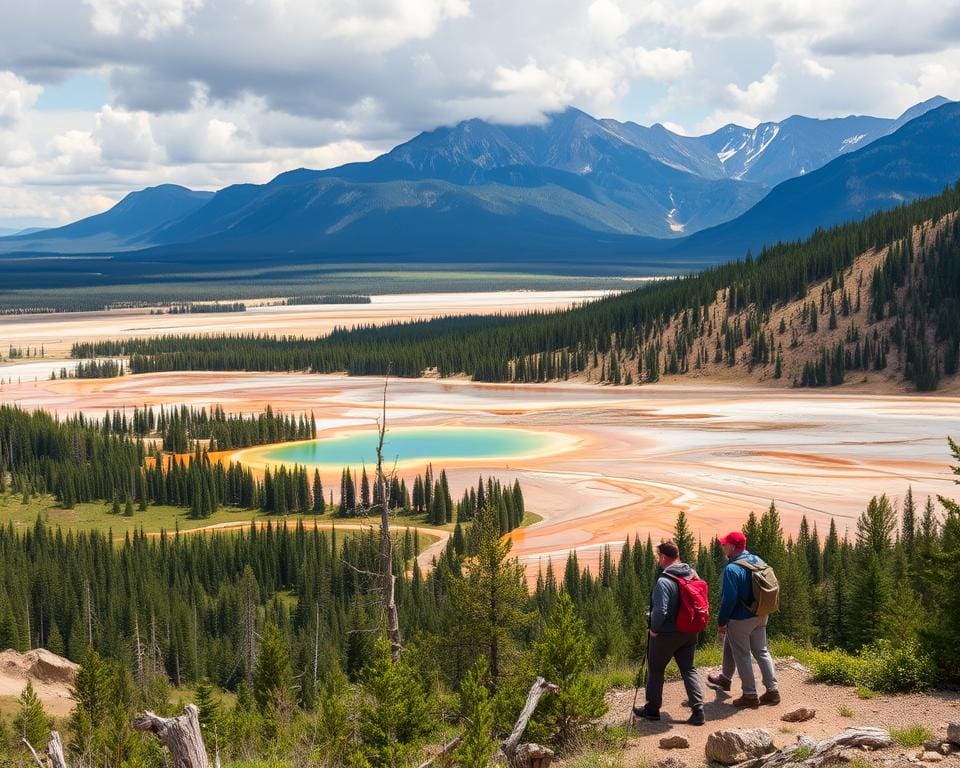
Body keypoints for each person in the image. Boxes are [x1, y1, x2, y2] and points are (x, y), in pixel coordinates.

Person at [633, 540, 706, 726]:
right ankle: (698, 710)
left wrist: (654, 629)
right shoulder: (692, 574)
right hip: (689, 631)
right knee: (688, 668)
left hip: (666, 634)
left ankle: (652, 710)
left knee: (656, 670)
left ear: (664, 557)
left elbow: (660, 611)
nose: (659, 560)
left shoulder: (664, 581)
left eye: (659, 557)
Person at [707, 531, 780, 708]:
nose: (722, 547)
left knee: (743, 655)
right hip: (761, 614)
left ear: (732, 547)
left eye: (724, 544)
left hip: (741, 619)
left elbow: (729, 599)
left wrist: (722, 621)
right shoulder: (757, 560)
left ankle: (750, 695)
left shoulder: (732, 569)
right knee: (762, 651)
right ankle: (772, 691)